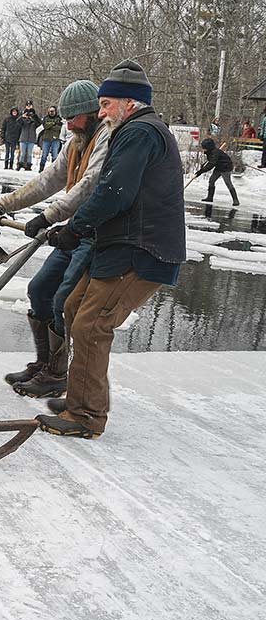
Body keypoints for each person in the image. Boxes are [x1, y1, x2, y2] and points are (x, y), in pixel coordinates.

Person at [36, 60, 185, 438]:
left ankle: (85, 417)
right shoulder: (132, 129)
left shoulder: (140, 133)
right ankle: (79, 397)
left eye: (105, 105)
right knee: (72, 308)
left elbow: (114, 192)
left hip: (142, 248)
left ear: (129, 102)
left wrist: (75, 228)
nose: (100, 113)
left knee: (92, 324)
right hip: (119, 244)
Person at [0, 80, 110, 400]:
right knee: (39, 290)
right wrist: (2, 204)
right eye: (65, 118)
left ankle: (57, 374)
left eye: (73, 118)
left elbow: (89, 186)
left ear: (91, 113)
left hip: (94, 234)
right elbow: (48, 180)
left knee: (64, 300)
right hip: (72, 232)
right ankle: (45, 362)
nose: (68, 124)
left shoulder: (107, 138)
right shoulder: (76, 140)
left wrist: (48, 217)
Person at [194, 138, 239, 206]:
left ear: (208, 147)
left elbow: (211, 164)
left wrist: (201, 171)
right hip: (219, 167)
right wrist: (203, 167)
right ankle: (210, 197)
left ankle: (236, 200)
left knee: (228, 183)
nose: (203, 149)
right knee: (212, 180)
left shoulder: (215, 153)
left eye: (204, 148)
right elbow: (210, 161)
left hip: (226, 167)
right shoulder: (211, 152)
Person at [38, 105, 63, 171]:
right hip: (46, 139)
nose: (51, 112)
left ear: (55, 111)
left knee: (55, 156)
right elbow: (45, 126)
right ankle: (41, 169)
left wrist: (50, 125)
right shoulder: (45, 118)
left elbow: (59, 128)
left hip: (55, 139)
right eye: (50, 111)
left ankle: (53, 170)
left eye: (53, 111)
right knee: (44, 155)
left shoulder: (59, 119)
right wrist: (53, 123)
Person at [17, 101, 40, 170]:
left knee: (29, 154)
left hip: (31, 138)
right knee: (22, 153)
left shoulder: (34, 117)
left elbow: (39, 123)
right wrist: (22, 116)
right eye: (27, 105)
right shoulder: (23, 116)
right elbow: (17, 122)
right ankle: (20, 165)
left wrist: (34, 116)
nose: (29, 106)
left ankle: (28, 166)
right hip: (23, 138)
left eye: (30, 105)